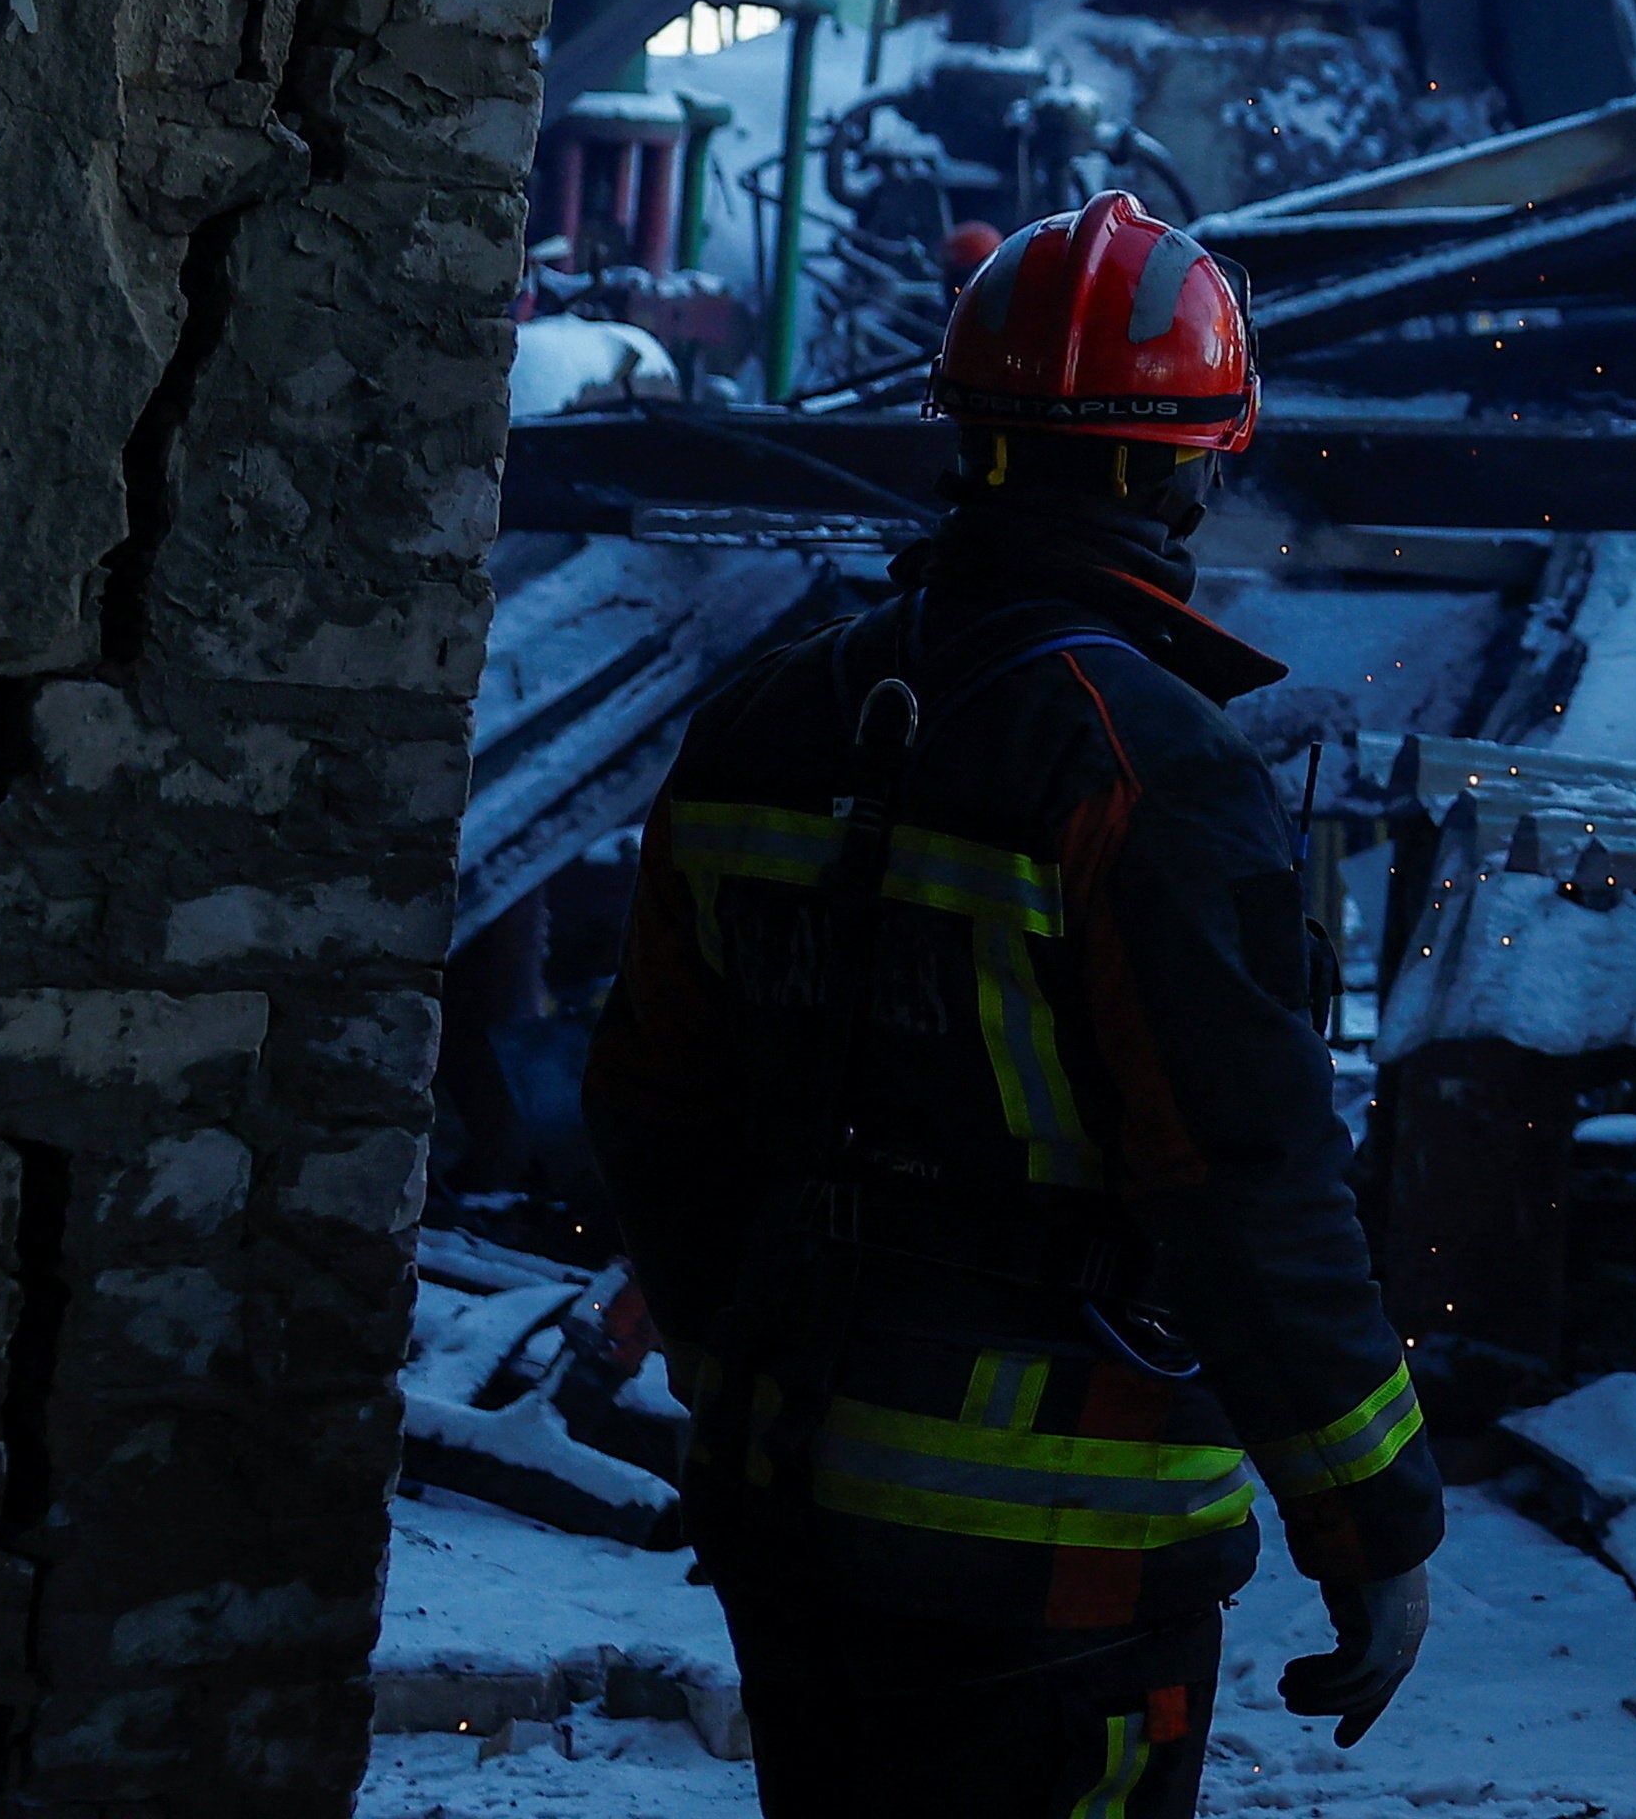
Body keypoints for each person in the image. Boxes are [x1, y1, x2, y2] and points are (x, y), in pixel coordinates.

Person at [587, 191, 1442, 1816]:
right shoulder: (1152, 766)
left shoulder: (768, 716)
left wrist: (743, 1363)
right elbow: (1247, 1186)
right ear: (1194, 460)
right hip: (1057, 1558)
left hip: (790, 1509)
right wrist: (1375, 1523)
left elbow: (646, 1108)